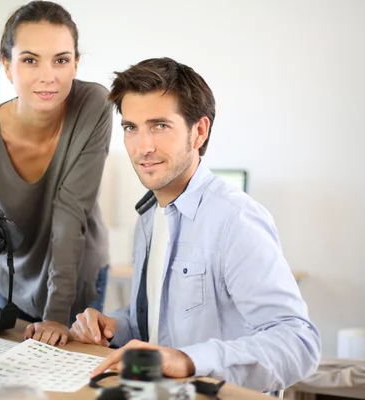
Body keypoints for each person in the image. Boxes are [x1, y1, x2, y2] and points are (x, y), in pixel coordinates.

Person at [69, 57, 321, 391]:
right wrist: (114, 325)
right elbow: (156, 326)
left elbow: (298, 344)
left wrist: (188, 360)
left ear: (199, 131)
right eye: (131, 127)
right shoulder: (148, 218)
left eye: (160, 125)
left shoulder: (236, 219)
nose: (143, 147)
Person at [0, 1, 111, 346]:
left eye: (61, 60)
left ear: (76, 64)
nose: (47, 76)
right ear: (8, 67)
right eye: (29, 60)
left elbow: (70, 214)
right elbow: (4, 231)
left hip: (75, 277)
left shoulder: (94, 105)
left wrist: (55, 316)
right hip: (9, 281)